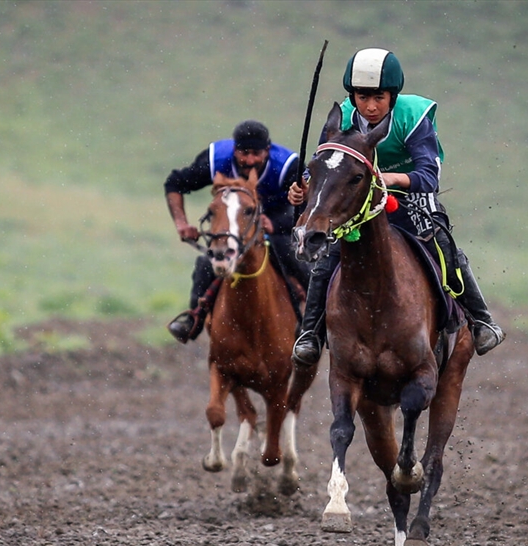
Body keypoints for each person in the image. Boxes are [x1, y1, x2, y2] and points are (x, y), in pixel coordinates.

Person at [289, 48, 504, 365]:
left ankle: (481, 320)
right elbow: (321, 166)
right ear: (353, 95)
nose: (370, 106)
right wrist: (303, 186)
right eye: (363, 97)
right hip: (358, 203)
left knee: (445, 248)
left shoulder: (412, 117)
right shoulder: (341, 118)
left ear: (392, 95)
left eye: (379, 97)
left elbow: (428, 175)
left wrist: (387, 178)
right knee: (327, 257)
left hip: (409, 197)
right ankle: (311, 335)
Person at [165, 120, 310, 342]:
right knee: (206, 263)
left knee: (292, 258)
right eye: (244, 153)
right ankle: (193, 318)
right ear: (234, 150)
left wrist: (278, 225)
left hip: (278, 217)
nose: (250, 160)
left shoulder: (288, 166)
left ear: (268, 151)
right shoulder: (215, 161)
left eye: (256, 153)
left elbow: (311, 201)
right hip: (234, 224)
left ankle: (314, 321)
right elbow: (174, 183)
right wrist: (182, 224)